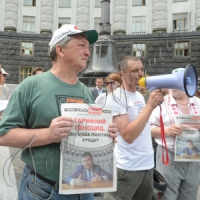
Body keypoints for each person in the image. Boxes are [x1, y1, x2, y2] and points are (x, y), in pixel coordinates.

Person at [0, 24, 117, 200]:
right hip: (43, 189)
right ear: (60, 50)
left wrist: (106, 135)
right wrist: (48, 134)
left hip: (83, 190)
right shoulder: (31, 85)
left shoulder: (85, 91)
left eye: (88, 47)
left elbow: (87, 137)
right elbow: (4, 135)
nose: (88, 52)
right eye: (81, 46)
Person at [104, 56, 164, 200]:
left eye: (142, 69)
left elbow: (142, 127)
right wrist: (150, 106)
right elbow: (128, 135)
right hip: (127, 167)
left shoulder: (138, 95)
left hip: (146, 165)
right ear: (121, 74)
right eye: (134, 71)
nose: (140, 73)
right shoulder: (116, 97)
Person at [149, 68, 200, 200]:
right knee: (168, 196)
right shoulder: (161, 103)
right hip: (169, 156)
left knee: (189, 194)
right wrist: (166, 131)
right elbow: (147, 128)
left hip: (194, 158)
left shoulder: (197, 102)